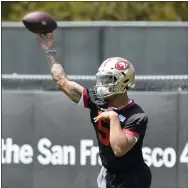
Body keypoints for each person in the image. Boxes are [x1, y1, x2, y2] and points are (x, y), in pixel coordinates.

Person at [36, 33, 152, 188]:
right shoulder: (98, 99)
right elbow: (62, 82)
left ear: (124, 83)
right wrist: (50, 51)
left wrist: (113, 117)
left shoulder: (136, 116)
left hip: (132, 179)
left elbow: (119, 149)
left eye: (107, 81)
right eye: (102, 80)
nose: (102, 85)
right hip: (108, 173)